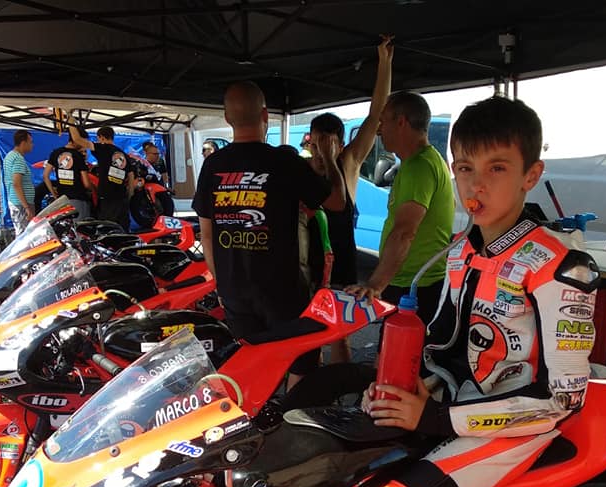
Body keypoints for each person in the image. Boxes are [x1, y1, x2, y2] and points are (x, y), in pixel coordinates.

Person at [361, 96, 599, 487]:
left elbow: (563, 399)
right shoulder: (462, 252)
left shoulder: (563, 266)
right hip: (463, 413)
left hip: (524, 426)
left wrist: (437, 418)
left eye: (496, 169)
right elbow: (446, 350)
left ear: (531, 175)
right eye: (464, 168)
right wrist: (407, 389)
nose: (475, 186)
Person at [193, 80, 346, 389]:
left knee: (253, 361)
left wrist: (222, 282)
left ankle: (256, 412)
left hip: (234, 288)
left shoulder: (213, 165)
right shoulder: (284, 161)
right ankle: (290, 414)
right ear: (265, 116)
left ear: (227, 118)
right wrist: (330, 158)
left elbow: (206, 235)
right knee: (300, 359)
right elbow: (337, 202)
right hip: (282, 289)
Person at [307, 35, 393, 362]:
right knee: (308, 336)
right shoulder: (304, 171)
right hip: (308, 266)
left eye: (326, 144)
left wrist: (384, 63)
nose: (319, 151)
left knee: (338, 336)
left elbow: (376, 114)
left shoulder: (348, 164)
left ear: (339, 144)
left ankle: (339, 387)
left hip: (341, 266)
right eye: (315, 144)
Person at [346, 91, 455, 326]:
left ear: (401, 122)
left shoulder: (419, 166)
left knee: (399, 347)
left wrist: (375, 285)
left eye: (383, 122)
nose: (378, 130)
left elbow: (405, 231)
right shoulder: (424, 161)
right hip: (416, 283)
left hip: (414, 287)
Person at [70, 124, 135, 231]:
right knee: (123, 230)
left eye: (98, 138)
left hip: (107, 197)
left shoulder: (102, 148)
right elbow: (131, 175)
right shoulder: (124, 155)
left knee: (107, 228)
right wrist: (129, 194)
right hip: (121, 198)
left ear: (101, 137)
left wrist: (70, 123)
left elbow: (77, 139)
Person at [43, 133, 93, 219]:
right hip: (78, 199)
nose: (84, 145)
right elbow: (86, 184)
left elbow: (45, 176)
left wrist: (54, 194)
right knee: (80, 226)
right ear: (75, 139)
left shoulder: (55, 153)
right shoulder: (78, 156)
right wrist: (93, 190)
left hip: (62, 200)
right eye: (82, 141)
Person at [4, 129, 36, 234]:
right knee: (25, 234)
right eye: (30, 142)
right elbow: (16, 183)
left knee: (21, 232)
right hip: (21, 204)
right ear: (23, 143)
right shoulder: (18, 159)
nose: (32, 145)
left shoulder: (10, 156)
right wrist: (26, 207)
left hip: (15, 201)